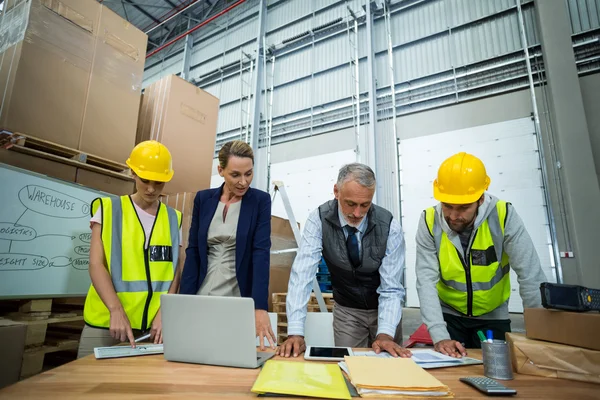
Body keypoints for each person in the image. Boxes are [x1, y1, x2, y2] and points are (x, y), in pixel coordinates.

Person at [416, 152, 548, 358]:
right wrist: (439, 334)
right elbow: (426, 280)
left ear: (480, 198)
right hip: (448, 316)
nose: (452, 215)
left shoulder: (504, 215)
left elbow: (530, 274)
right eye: (447, 205)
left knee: (500, 375)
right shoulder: (429, 220)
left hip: (493, 317)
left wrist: (540, 334)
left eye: (463, 208)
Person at [277, 163, 411, 358]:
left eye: (365, 205)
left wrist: (385, 334)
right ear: (336, 191)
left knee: (387, 367)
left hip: (385, 307)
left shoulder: (389, 225)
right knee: (349, 366)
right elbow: (302, 276)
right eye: (350, 203)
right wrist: (295, 332)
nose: (357, 213)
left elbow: (391, 288)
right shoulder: (318, 220)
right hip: (347, 310)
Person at [77, 140, 183, 358]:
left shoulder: (173, 219)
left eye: (159, 183)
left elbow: (175, 269)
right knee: (85, 389)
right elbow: (96, 264)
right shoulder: (108, 210)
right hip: (107, 321)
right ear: (133, 173)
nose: (152, 189)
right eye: (145, 180)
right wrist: (115, 309)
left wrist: (165, 312)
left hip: (154, 328)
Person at [179, 140, 275, 350]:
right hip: (201, 294)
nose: (243, 182)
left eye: (248, 173)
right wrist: (183, 301)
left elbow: (261, 253)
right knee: (196, 355)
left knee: (231, 357)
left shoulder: (260, 201)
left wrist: (259, 306)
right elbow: (193, 251)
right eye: (235, 175)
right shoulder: (203, 199)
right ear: (220, 170)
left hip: (237, 297)